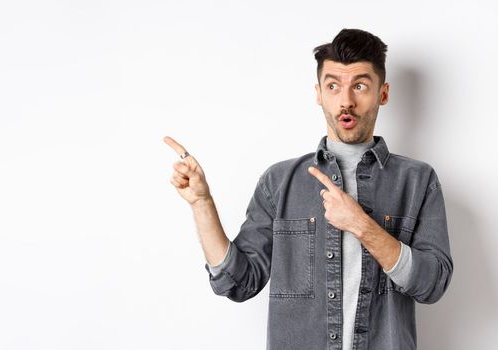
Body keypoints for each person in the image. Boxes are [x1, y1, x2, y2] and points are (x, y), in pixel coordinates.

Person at [164, 28, 452, 350]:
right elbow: (238, 284)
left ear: (383, 94)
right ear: (319, 93)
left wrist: (361, 225)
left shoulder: (417, 181)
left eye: (360, 85)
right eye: (333, 86)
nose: (346, 101)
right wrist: (202, 203)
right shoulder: (279, 182)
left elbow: (433, 284)